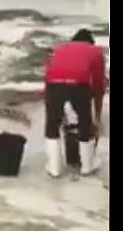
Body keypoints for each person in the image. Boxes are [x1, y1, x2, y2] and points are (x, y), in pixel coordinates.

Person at [42, 29, 105, 177]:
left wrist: (50, 100)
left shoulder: (59, 48)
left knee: (52, 124)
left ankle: (55, 168)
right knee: (85, 123)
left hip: (53, 84)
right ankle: (87, 167)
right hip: (79, 84)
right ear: (90, 42)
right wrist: (97, 116)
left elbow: (49, 72)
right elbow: (98, 85)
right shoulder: (95, 51)